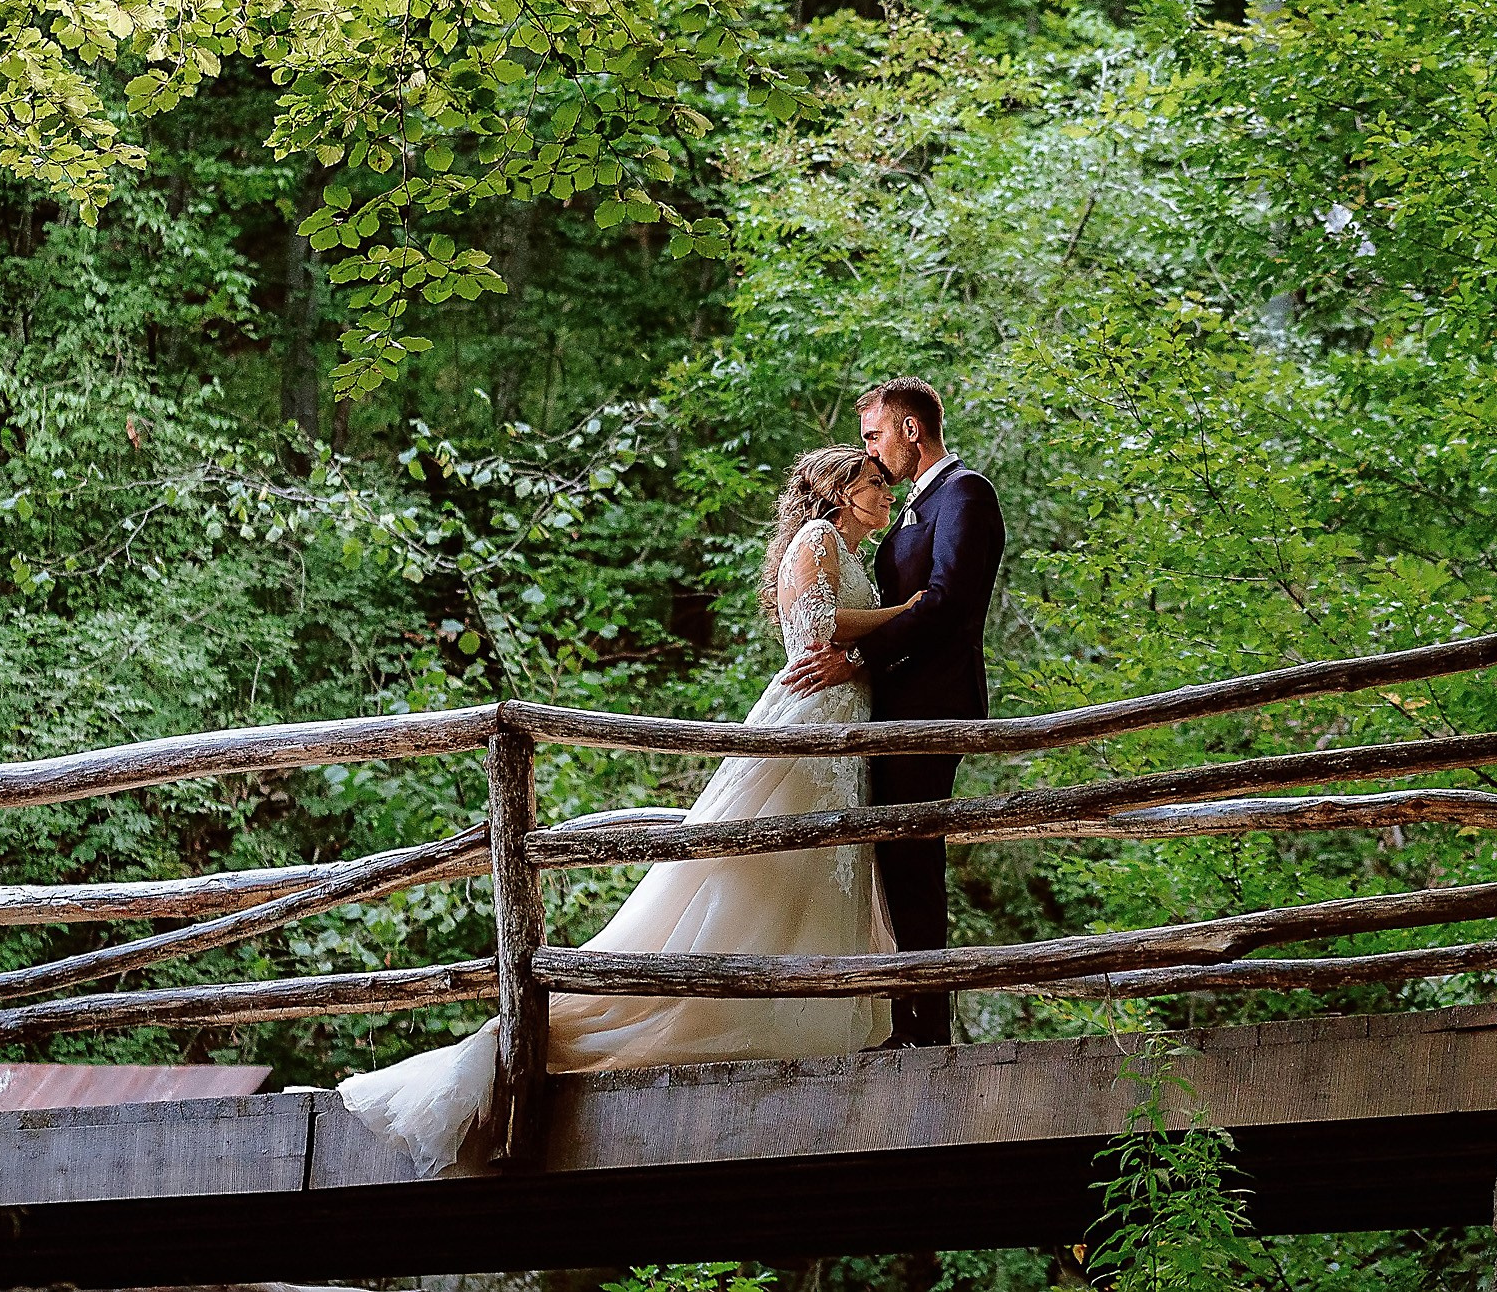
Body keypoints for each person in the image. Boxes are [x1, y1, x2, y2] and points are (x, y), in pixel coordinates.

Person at [335, 446, 915, 1176]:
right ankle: (713, 1002)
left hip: (843, 724)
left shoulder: (862, 552)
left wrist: (875, 647)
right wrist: (911, 614)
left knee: (817, 868)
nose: (883, 494)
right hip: (810, 724)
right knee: (767, 862)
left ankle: (804, 1005)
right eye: (872, 482)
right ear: (837, 490)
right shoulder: (818, 539)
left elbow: (849, 647)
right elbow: (818, 634)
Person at [780, 377, 1005, 1047]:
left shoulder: (967, 495)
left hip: (934, 704)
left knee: (914, 860)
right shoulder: (912, 509)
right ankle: (899, 1017)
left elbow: (946, 607)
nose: (870, 453)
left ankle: (928, 1029)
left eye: (875, 435)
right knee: (889, 863)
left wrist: (857, 662)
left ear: (911, 430)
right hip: (888, 708)